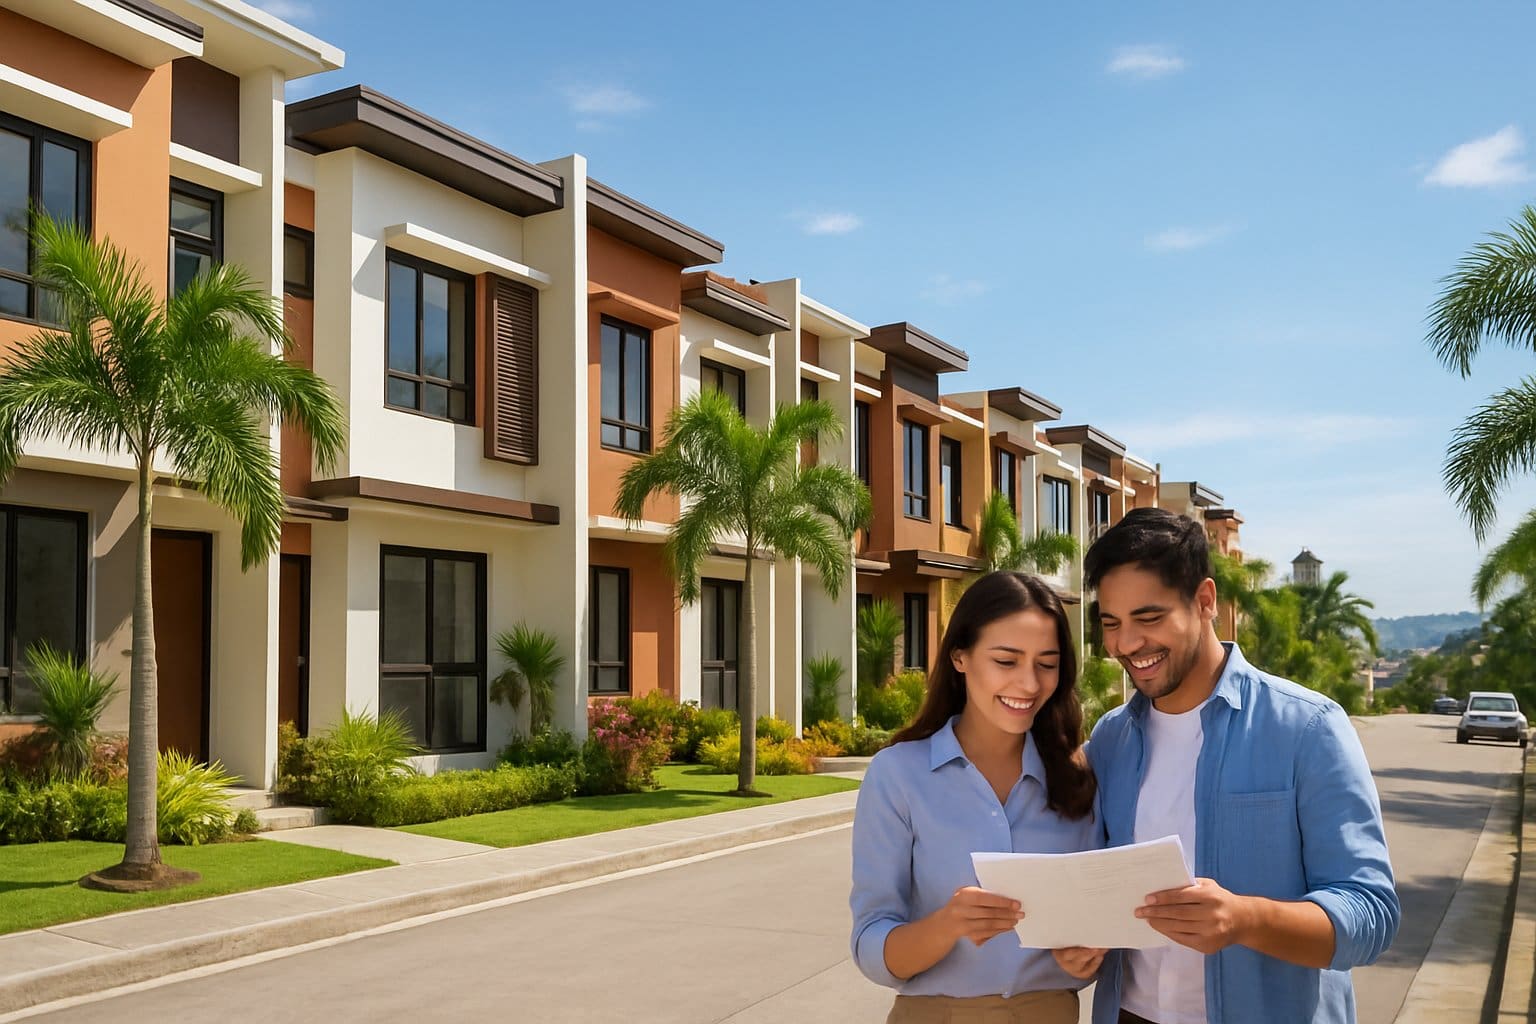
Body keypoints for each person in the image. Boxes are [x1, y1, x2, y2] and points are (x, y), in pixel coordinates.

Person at [1053, 507, 1399, 1024]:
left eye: (1149, 618)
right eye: (1111, 623)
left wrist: (1245, 919)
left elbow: (1371, 916)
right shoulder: (1111, 740)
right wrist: (1079, 949)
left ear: (1206, 601)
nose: (1127, 644)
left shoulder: (1307, 729)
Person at [850, 572, 1101, 1024]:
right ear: (960, 657)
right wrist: (947, 925)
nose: (1028, 684)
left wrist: (1084, 957)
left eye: (1047, 663)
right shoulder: (898, 775)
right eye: (1006, 661)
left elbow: (1097, 926)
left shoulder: (1078, 779)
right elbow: (871, 944)